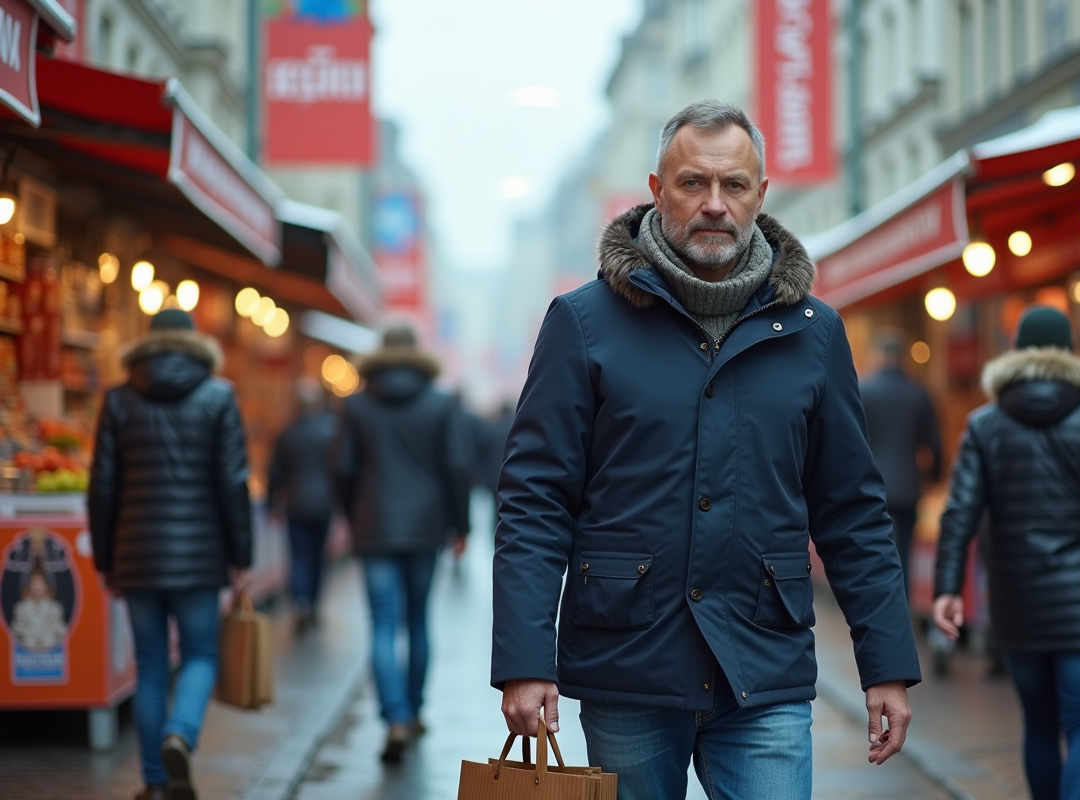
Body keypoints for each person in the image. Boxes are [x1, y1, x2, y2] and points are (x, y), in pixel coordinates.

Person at [492, 101, 920, 800]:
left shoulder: (813, 332)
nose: (714, 204)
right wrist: (523, 660)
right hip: (628, 663)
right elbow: (535, 502)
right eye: (693, 184)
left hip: (765, 664)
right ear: (657, 191)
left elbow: (851, 511)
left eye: (734, 186)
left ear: (761, 195)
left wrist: (887, 664)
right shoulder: (583, 322)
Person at [933, 306, 1080, 800]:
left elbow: (958, 513)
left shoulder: (983, 425)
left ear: (1017, 354)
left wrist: (948, 587)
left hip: (1017, 601)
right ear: (1070, 354)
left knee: (1038, 723)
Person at [89, 308, 252, 800]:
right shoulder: (219, 396)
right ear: (194, 343)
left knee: (151, 665)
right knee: (201, 652)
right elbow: (233, 483)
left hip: (135, 555)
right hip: (200, 556)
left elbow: (102, 487)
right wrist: (241, 555)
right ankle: (179, 733)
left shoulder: (118, 400)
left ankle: (155, 784)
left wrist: (104, 559)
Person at [332, 325, 471, 763]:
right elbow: (457, 465)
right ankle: (413, 711)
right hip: (425, 526)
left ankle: (391, 716)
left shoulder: (356, 404)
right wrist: (460, 526)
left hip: (374, 524)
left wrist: (353, 514)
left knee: (382, 623)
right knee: (417, 621)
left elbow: (342, 466)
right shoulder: (441, 402)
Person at [858, 330, 942, 593]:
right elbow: (935, 445)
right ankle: (903, 607)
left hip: (872, 487)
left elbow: (852, 442)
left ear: (879, 355)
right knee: (904, 552)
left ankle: (879, 603)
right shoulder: (918, 393)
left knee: (874, 550)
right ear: (902, 356)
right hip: (908, 486)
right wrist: (933, 479)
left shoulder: (864, 391)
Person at [269, 377, 338, 633]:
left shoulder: (288, 433)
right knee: (319, 557)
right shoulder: (331, 431)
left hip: (295, 503)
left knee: (298, 556)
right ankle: (314, 602)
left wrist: (270, 501)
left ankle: (300, 601)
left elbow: (274, 472)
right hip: (323, 504)